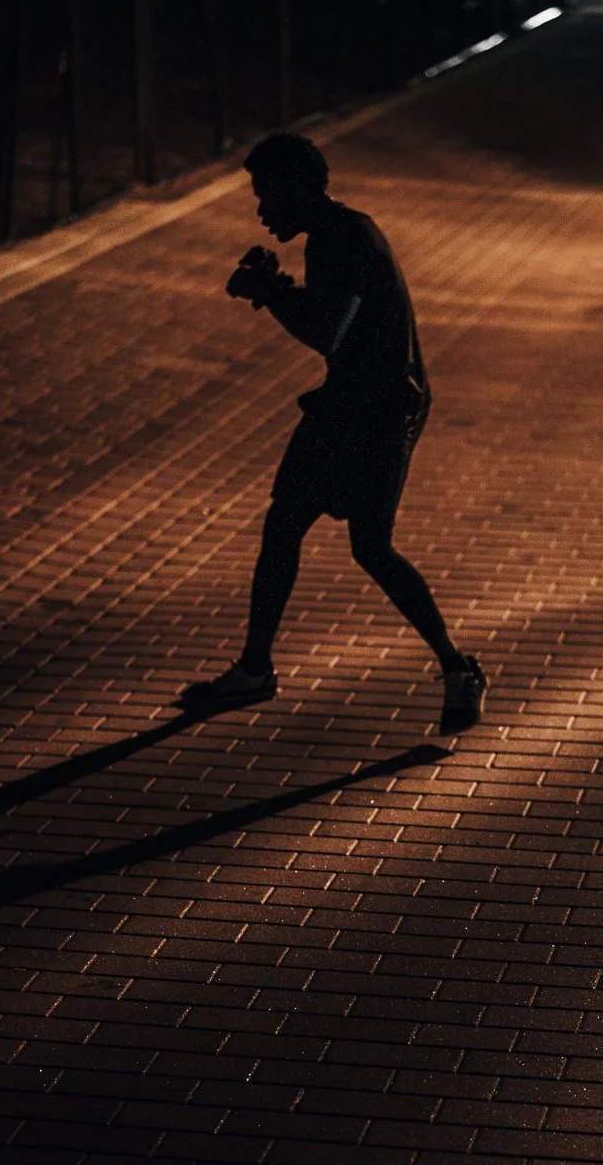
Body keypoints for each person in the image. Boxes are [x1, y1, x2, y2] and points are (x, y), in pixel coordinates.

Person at [179, 132, 486, 736]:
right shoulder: (344, 231)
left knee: (353, 543)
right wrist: (284, 290)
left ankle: (454, 667)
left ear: (297, 188)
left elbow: (328, 331)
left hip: (371, 413)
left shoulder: (340, 241)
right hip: (362, 406)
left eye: (267, 194)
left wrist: (270, 294)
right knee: (301, 529)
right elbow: (335, 320)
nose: (261, 209)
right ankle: (260, 665)